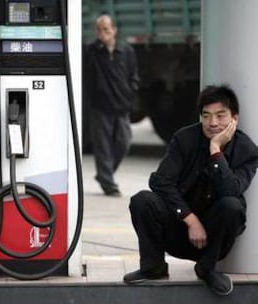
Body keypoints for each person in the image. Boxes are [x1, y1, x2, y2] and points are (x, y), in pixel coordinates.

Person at [123, 85, 258, 296]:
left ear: (234, 119)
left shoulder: (246, 150)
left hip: (215, 238)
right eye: (207, 116)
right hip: (180, 229)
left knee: (232, 206)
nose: (213, 123)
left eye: (220, 116)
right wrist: (190, 219)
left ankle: (207, 268)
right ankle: (153, 266)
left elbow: (231, 190)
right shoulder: (184, 139)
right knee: (142, 200)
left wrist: (215, 151)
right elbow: (160, 182)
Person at [84, 14, 139, 196]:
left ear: (114, 30)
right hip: (100, 106)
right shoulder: (92, 51)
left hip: (122, 105)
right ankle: (108, 183)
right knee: (103, 147)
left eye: (106, 30)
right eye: (99, 30)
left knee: (124, 142)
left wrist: (130, 92)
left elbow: (134, 76)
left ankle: (103, 175)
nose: (102, 34)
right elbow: (86, 77)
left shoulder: (126, 50)